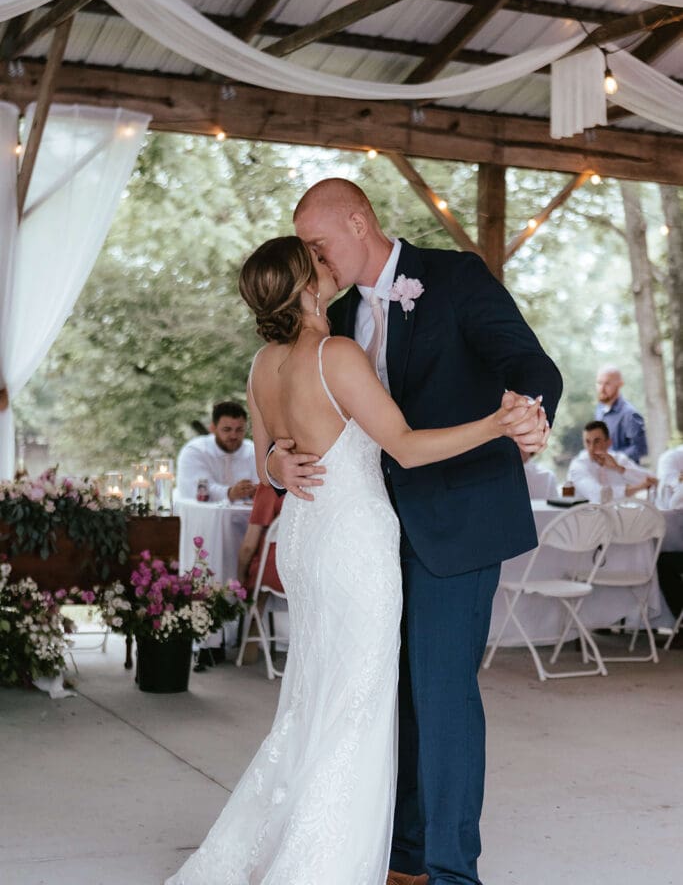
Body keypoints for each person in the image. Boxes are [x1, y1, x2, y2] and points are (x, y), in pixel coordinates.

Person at [165, 235, 545, 885]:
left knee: (316, 693)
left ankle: (335, 840)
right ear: (306, 283)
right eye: (316, 259)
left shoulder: (262, 363)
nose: (331, 262)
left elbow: (266, 466)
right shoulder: (334, 353)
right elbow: (403, 445)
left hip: (306, 540)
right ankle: (328, 857)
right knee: (359, 698)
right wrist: (494, 424)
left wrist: (279, 464)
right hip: (355, 544)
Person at [270, 178, 562, 885]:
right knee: (387, 695)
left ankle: (451, 870)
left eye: (318, 243)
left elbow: (528, 363)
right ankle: (403, 859)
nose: (313, 260)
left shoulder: (453, 276)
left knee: (440, 693)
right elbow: (302, 412)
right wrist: (279, 458)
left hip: (456, 520)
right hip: (366, 535)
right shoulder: (330, 320)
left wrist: (528, 408)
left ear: (358, 220)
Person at [176, 401, 258, 503]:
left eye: (239, 430)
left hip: (247, 518)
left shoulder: (254, 452)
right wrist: (230, 493)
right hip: (204, 517)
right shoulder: (195, 451)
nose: (234, 436)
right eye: (227, 430)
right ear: (213, 428)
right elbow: (196, 490)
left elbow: (263, 490)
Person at [568, 420, 656, 504]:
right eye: (588, 442)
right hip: (586, 516)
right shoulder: (578, 465)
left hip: (618, 515)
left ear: (608, 442)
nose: (591, 448)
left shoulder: (618, 459)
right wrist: (637, 487)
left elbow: (652, 479)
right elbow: (601, 496)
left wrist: (618, 468)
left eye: (597, 441)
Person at [237, 482, 284, 594]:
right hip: (311, 573)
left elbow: (248, 547)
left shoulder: (270, 487)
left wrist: (240, 578)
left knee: (256, 572)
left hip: (275, 574)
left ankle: (254, 608)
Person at [594, 365, 647, 463]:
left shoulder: (630, 414)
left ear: (620, 384)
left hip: (624, 475)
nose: (602, 388)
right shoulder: (599, 408)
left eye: (607, 384)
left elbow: (641, 449)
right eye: (599, 383)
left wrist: (613, 458)